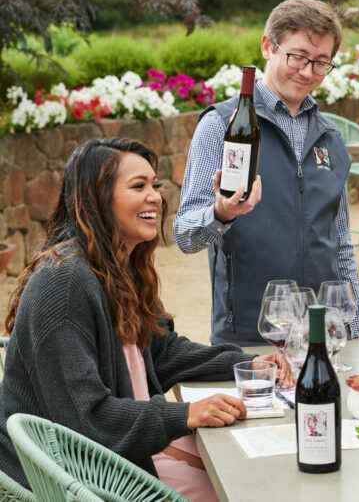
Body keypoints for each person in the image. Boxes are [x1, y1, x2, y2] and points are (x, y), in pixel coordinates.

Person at [0, 138, 291, 500]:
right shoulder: (65, 282)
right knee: (241, 485)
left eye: (154, 185)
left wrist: (245, 362)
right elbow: (85, 417)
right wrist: (183, 415)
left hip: (119, 455)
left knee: (252, 466)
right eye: (138, 186)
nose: (154, 196)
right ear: (96, 198)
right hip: (73, 475)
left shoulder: (120, 266)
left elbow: (163, 351)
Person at [175, 0, 359, 345]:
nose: (308, 72)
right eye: (298, 57)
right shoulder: (221, 125)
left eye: (321, 62)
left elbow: (341, 247)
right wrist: (221, 213)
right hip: (250, 338)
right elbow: (185, 235)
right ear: (268, 46)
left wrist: (357, 324)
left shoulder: (331, 139)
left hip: (325, 334)